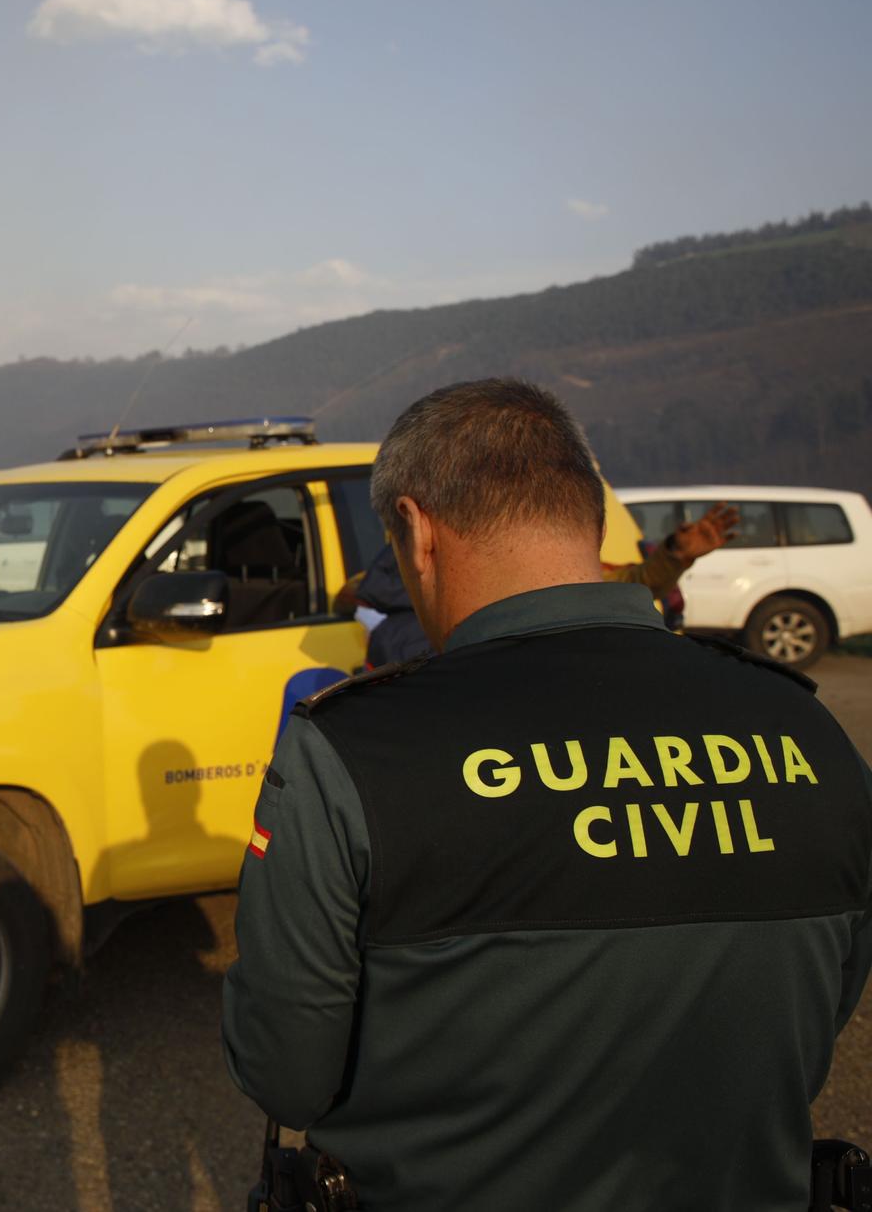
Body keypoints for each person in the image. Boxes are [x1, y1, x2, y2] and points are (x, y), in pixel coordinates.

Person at [221, 378, 872, 1208]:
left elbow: (286, 1072)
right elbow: (822, 1005)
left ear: (417, 532)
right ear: (586, 515)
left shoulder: (351, 751)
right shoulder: (807, 731)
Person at [351, 499, 740, 666]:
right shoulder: (405, 584)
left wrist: (674, 553)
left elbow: (629, 581)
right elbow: (355, 593)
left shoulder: (558, 572)